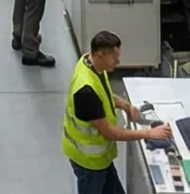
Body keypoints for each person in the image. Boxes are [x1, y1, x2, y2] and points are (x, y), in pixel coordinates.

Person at [63, 31, 172, 193]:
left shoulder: (90, 63)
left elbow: (104, 95)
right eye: (114, 57)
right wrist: (149, 133)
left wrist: (126, 106)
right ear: (100, 54)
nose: (118, 61)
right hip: (89, 163)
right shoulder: (86, 91)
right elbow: (110, 133)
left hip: (100, 159)